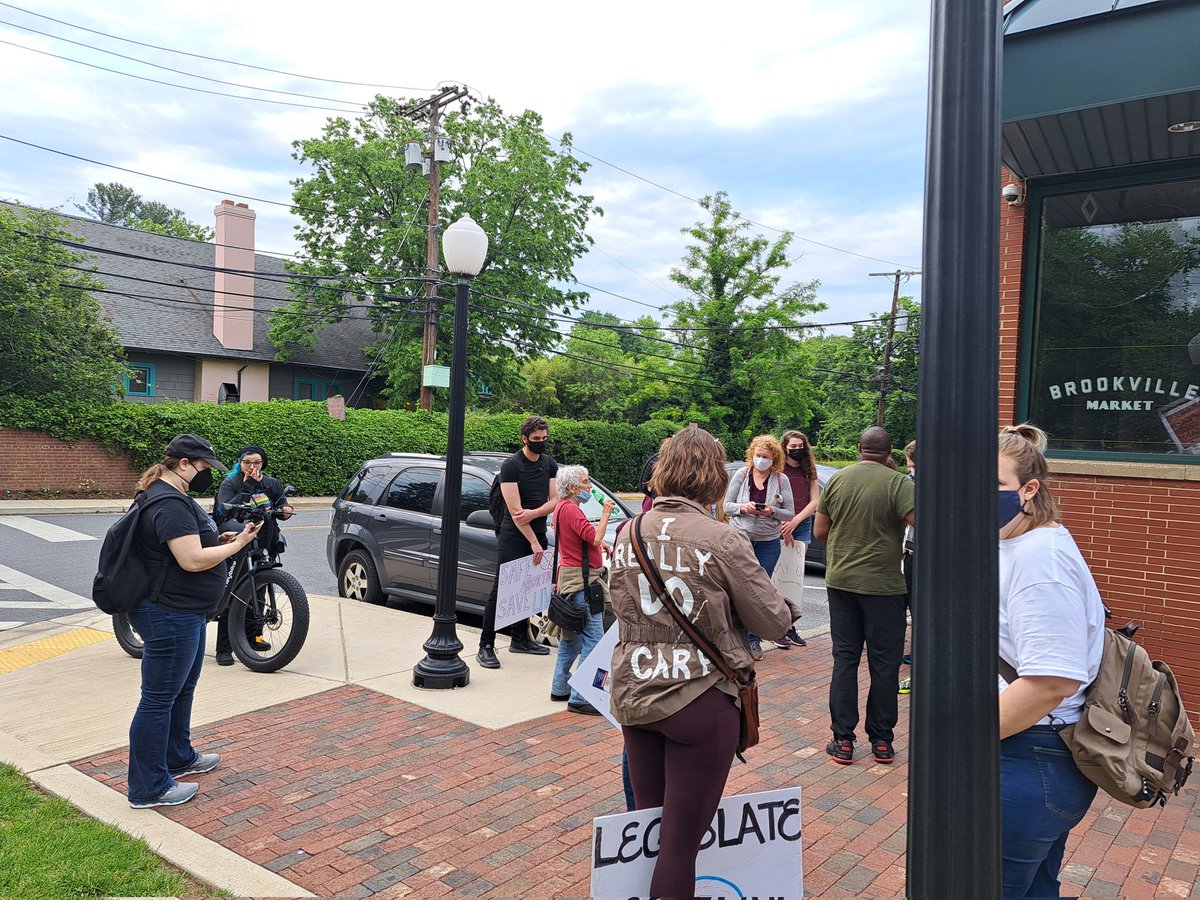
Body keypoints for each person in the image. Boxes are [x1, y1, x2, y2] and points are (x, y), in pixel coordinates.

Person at [609, 427, 801, 899]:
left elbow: (617, 604)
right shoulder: (722, 539)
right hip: (699, 694)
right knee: (679, 848)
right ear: (715, 477)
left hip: (636, 693)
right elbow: (773, 622)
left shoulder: (627, 531)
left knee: (653, 838)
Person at [997, 424, 1105, 898]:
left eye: (994, 485)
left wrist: (956, 741)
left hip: (1030, 755)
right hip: (1034, 754)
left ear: (1028, 488)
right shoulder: (1016, 542)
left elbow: (1050, 681)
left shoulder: (1041, 558)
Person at [127, 434, 261, 809]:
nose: (206, 475)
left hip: (183, 611)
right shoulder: (168, 502)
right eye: (203, 468)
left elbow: (185, 549)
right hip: (169, 613)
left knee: (181, 688)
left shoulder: (167, 497)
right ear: (183, 464)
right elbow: (191, 560)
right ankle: (148, 787)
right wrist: (236, 546)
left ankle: (178, 756)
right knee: (157, 699)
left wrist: (219, 538)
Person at [814, 426, 914, 766]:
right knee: (884, 666)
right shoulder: (898, 483)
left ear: (859, 448)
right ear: (890, 452)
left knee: (845, 660)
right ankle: (882, 741)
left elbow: (820, 531)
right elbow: (920, 523)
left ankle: (843, 740)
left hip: (840, 581)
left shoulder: (839, 480)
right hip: (884, 587)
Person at [477, 415, 557, 668]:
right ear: (524, 439)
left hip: (538, 530)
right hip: (514, 535)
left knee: (528, 587)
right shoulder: (511, 466)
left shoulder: (549, 464)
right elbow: (514, 511)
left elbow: (555, 500)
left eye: (544, 439)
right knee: (502, 588)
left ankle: (520, 639)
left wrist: (535, 514)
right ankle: (486, 645)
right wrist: (533, 541)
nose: (541, 443)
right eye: (536, 439)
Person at [213, 445, 293, 666]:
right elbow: (229, 510)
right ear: (240, 463)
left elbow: (280, 505)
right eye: (247, 462)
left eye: (256, 462)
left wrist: (286, 510)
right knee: (234, 593)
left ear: (263, 463)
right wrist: (248, 484)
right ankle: (224, 648)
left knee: (259, 593)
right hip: (238, 544)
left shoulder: (272, 484)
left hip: (265, 542)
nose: (252, 466)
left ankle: (253, 638)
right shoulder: (231, 483)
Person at [549, 465, 615, 716]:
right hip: (583, 583)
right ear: (574, 488)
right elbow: (594, 538)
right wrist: (607, 512)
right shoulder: (573, 511)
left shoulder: (560, 508)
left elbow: (586, 540)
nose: (590, 487)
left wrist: (601, 545)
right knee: (593, 640)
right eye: (586, 483)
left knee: (571, 638)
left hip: (569, 579)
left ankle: (560, 686)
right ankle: (581, 697)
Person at [723, 434, 795, 660]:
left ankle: (753, 640)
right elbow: (726, 506)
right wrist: (744, 507)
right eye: (758, 455)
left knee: (759, 591)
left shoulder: (781, 479)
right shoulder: (741, 475)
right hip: (740, 538)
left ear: (775, 459)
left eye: (766, 457)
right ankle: (734, 637)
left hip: (767, 541)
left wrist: (771, 511)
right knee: (735, 588)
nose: (761, 460)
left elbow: (789, 513)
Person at [776, 429, 820, 649]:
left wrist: (796, 520)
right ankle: (778, 627)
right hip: (779, 524)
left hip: (801, 524)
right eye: (792, 447)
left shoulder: (808, 469)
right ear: (784, 448)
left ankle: (791, 626)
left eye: (800, 446)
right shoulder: (778, 470)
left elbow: (815, 501)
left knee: (795, 578)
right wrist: (786, 523)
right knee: (778, 577)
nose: (797, 451)